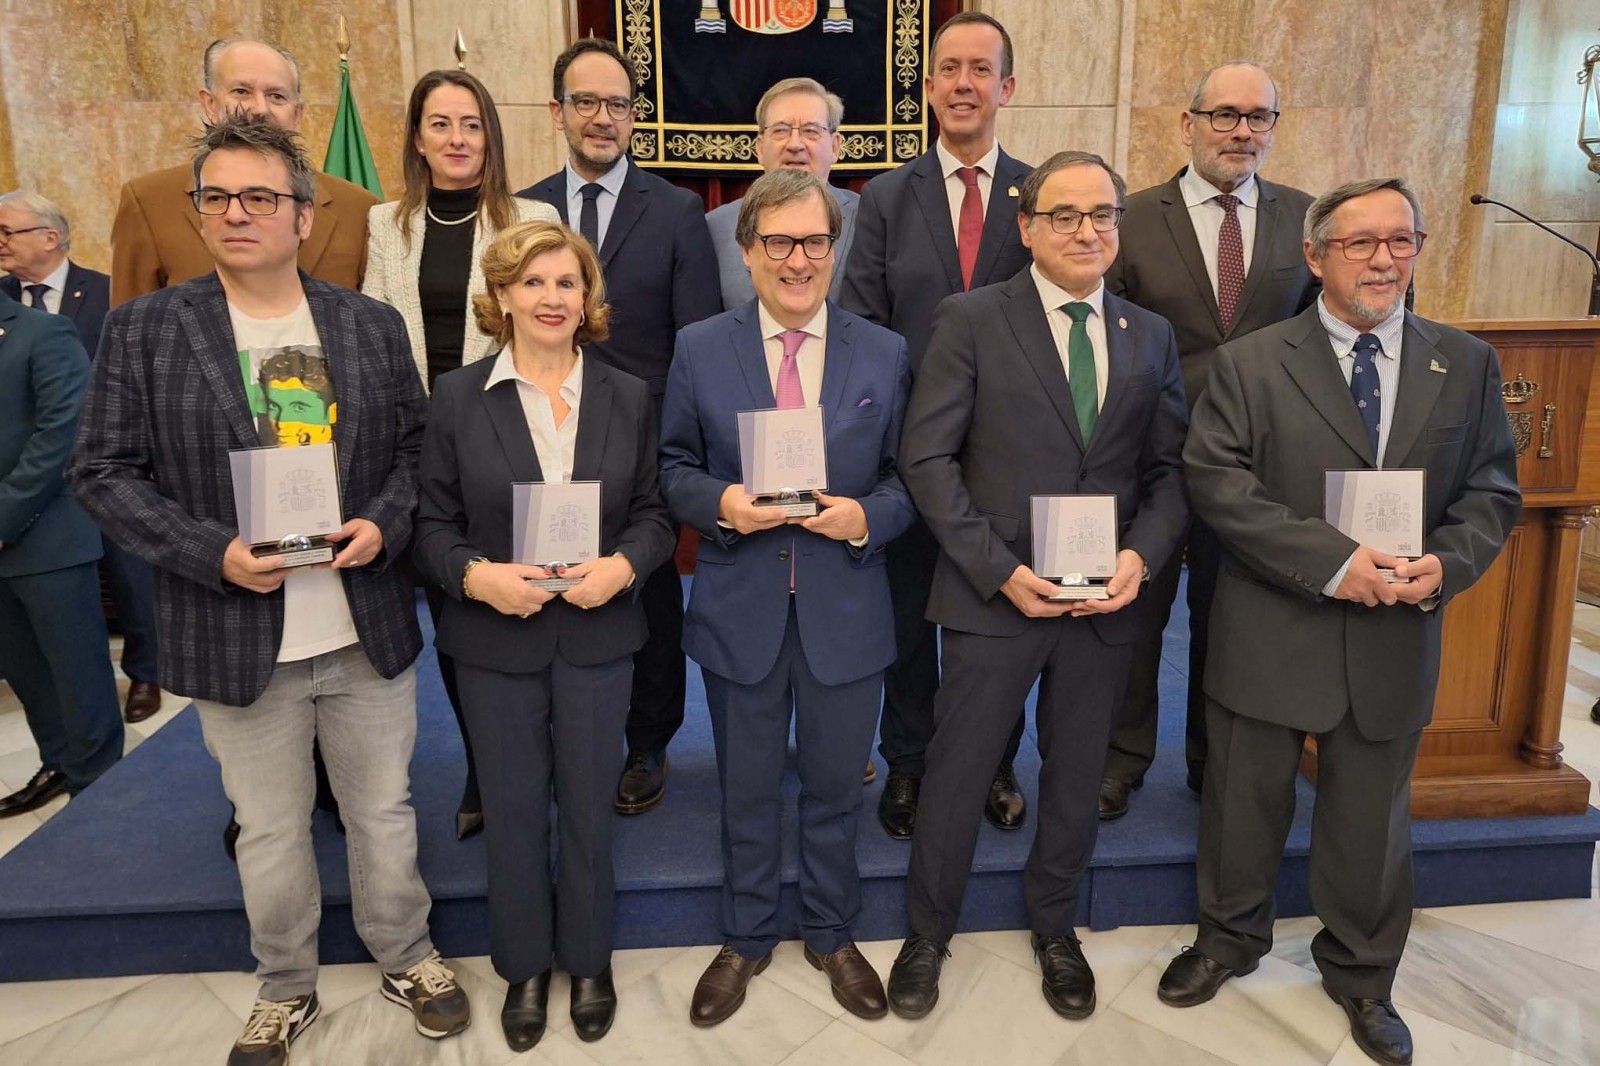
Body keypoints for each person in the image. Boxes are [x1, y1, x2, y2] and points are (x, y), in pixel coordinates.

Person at [70, 115, 470, 1066]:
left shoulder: (367, 324)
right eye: (216, 197)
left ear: (303, 215)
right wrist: (212, 552)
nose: (237, 213)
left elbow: (417, 451)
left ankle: (407, 955)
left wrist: (384, 523)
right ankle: (285, 985)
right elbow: (102, 473)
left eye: (260, 196)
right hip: (234, 627)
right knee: (270, 826)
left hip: (361, 620)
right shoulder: (146, 329)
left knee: (382, 811)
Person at [1159, 178, 1520, 1066]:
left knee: (1371, 822)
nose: (1384, 259)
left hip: (1395, 627)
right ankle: (1227, 940)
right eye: (1361, 243)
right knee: (1243, 803)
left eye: (1401, 240)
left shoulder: (1465, 361)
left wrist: (1447, 564)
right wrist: (1331, 561)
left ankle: (1362, 973)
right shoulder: (1251, 362)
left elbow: (1492, 490)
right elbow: (1218, 482)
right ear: (1316, 257)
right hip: (1272, 623)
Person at [886, 152, 1188, 1021]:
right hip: (997, 594)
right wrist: (998, 570)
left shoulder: (1149, 334)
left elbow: (1171, 471)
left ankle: (1055, 926)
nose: (1086, 231)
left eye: (1102, 214)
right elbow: (927, 458)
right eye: (1065, 215)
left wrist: (1140, 559)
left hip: (1104, 601)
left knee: (1076, 769)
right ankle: (928, 933)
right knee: (958, 768)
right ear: (1026, 228)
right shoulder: (973, 318)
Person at [660, 168, 915, 1027]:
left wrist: (865, 518)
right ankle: (746, 934)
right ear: (747, 250)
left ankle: (832, 932)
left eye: (814, 241)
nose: (797, 259)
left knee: (838, 786)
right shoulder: (700, 347)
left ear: (835, 250)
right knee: (748, 786)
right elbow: (672, 468)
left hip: (847, 607)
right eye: (779, 241)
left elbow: (907, 480)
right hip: (742, 607)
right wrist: (722, 505)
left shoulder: (883, 351)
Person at [414, 219, 674, 1052]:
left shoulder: (627, 394)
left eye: (567, 282)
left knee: (590, 805)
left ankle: (589, 960)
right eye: (532, 282)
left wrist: (624, 568)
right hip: (496, 638)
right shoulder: (457, 398)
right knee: (514, 805)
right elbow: (429, 525)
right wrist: (475, 577)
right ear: (501, 295)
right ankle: (524, 965)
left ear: (588, 296)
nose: (551, 298)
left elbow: (654, 515)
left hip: (599, 632)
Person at [1099, 61, 1320, 820]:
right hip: (1150, 459)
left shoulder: (1307, 220)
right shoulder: (1128, 217)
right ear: (1188, 123)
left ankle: (1213, 762)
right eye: (1225, 114)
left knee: (1232, 622)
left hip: (1258, 468)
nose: (1241, 131)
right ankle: (1121, 760)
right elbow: (1109, 336)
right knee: (1135, 618)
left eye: (1258, 117)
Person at [518, 37, 722, 816]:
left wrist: (677, 446)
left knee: (649, 591)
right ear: (558, 111)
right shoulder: (523, 209)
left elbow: (694, 340)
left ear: (635, 116)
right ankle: (557, 737)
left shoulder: (675, 210)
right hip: (540, 434)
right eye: (586, 102)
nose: (602, 118)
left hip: (643, 442)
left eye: (617, 104)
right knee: (548, 584)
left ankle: (647, 740)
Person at [842, 10, 1032, 839]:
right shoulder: (886, 197)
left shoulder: (1040, 195)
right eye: (949, 69)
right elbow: (863, 324)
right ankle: (911, 765)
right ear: (927, 88)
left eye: (980, 69)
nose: (963, 84)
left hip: (1015, 452)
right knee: (912, 619)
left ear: (1006, 87)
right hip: (913, 453)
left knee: (1000, 623)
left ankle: (992, 761)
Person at [362, 68, 559, 841]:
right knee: (457, 609)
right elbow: (376, 333)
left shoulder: (531, 217)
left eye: (471, 124)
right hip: (421, 446)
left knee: (529, 596)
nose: (456, 139)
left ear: (490, 136)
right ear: (417, 137)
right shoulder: (386, 224)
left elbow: (550, 326)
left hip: (510, 438)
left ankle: (545, 751)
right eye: (440, 124)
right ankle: (485, 765)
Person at [0, 189, 162, 724]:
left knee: (129, 571)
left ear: (50, 237)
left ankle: (146, 672)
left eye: (7, 232)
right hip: (35, 471)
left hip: (109, 460)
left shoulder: (109, 292)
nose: (0, 243)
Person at [110, 38, 376, 306]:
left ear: (297, 115)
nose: (259, 108)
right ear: (210, 104)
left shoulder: (358, 208)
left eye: (276, 96)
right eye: (241, 91)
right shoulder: (148, 201)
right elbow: (129, 322)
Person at [0, 290, 124, 818]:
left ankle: (98, 791)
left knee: (77, 675)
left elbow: (62, 434)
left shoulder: (42, 333)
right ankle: (58, 765)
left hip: (46, 537)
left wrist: (3, 518)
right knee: (25, 672)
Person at [705, 77, 860, 308]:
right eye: (781, 131)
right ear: (759, 148)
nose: (795, 144)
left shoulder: (867, 220)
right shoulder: (715, 227)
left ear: (835, 146)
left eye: (810, 131)